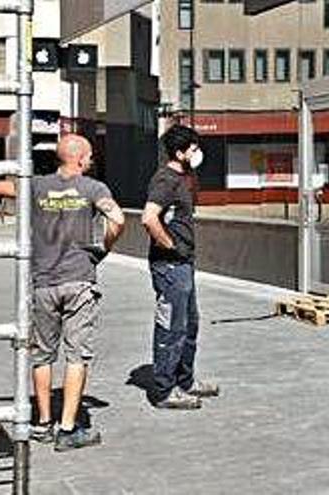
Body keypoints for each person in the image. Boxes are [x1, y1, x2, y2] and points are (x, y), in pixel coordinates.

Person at [0, 134, 125, 451]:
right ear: (80, 159)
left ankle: (42, 423)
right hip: (79, 281)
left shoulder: (37, 186)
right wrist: (103, 248)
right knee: (76, 356)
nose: (92, 160)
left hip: (43, 284)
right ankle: (67, 429)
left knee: (41, 355)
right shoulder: (94, 188)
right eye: (90, 155)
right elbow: (119, 219)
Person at [141, 125, 219, 410]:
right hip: (170, 266)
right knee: (171, 327)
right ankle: (163, 390)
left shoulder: (181, 179)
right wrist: (169, 246)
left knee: (189, 325)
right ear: (179, 153)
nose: (197, 154)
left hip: (183, 265)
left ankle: (185, 381)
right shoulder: (165, 180)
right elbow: (149, 219)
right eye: (193, 149)